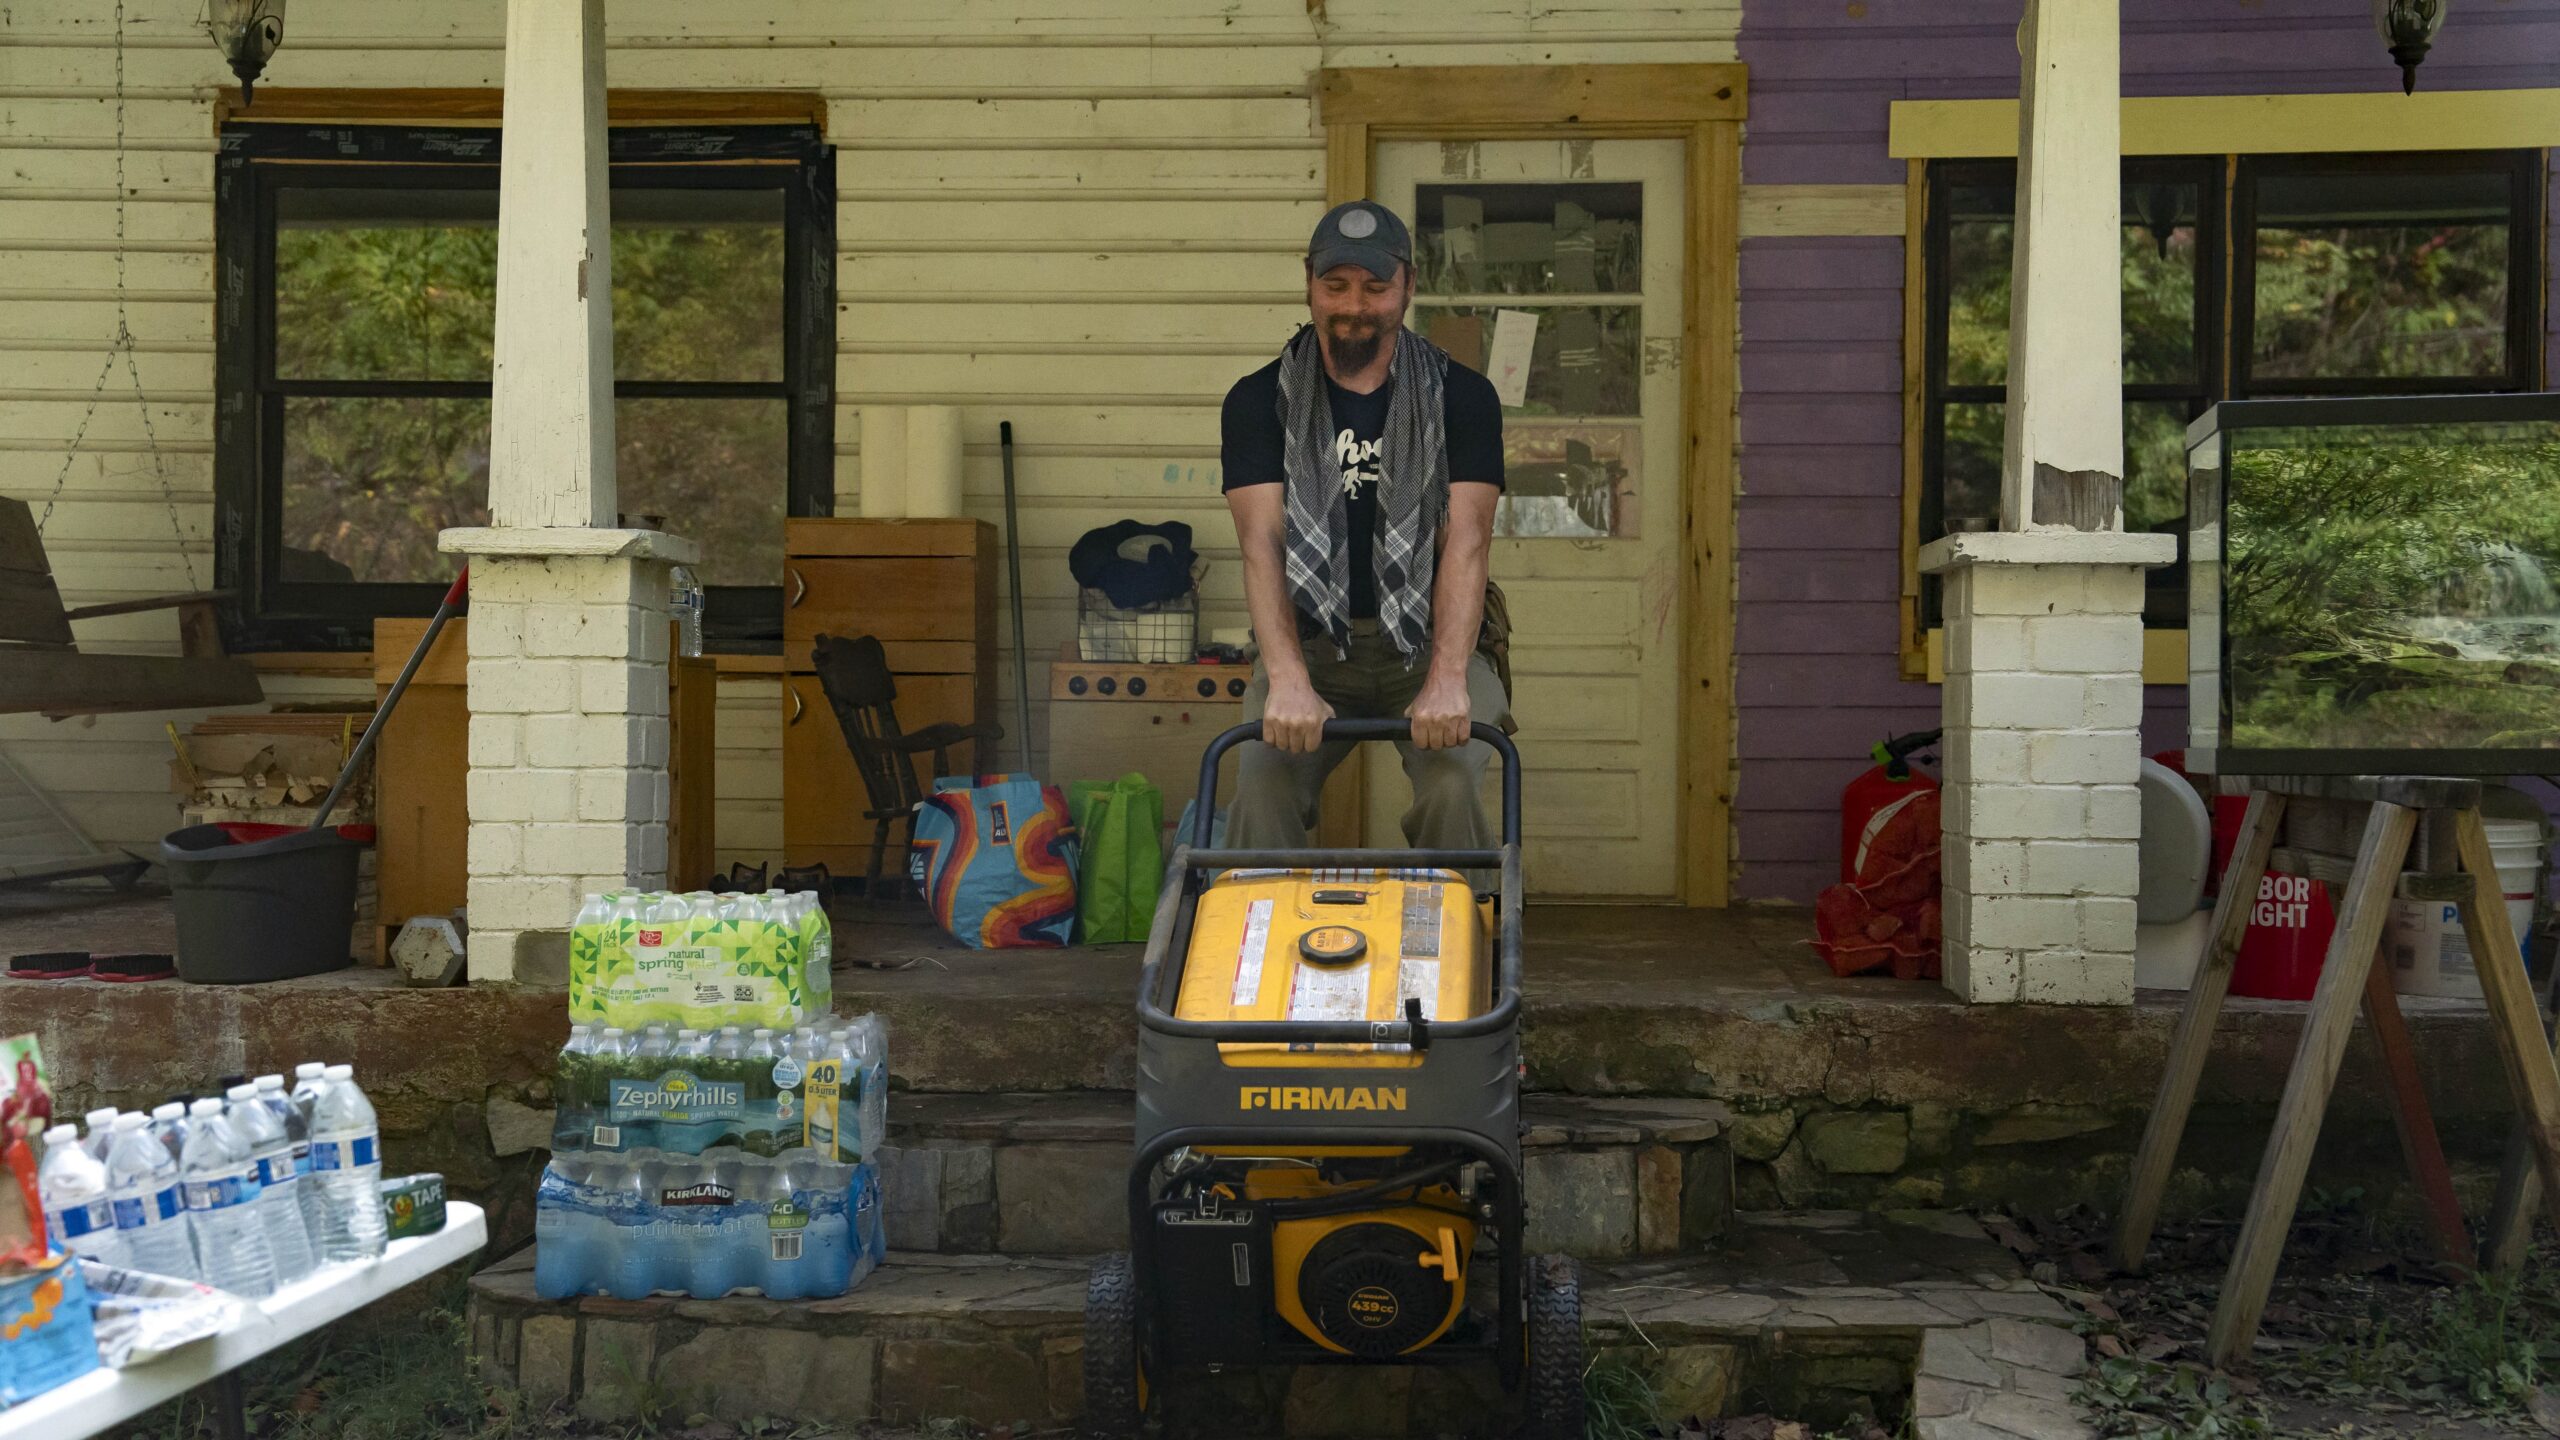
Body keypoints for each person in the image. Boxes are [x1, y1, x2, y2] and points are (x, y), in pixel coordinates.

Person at [1219, 198, 1510, 876]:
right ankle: (1260, 957)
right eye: (1337, 285)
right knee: (1261, 777)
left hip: (1428, 642)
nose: (1355, 305)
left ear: (1407, 285)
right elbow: (1261, 544)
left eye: (1376, 287)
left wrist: (1446, 680)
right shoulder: (1257, 401)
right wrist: (1288, 680)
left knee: (1451, 781)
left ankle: (1459, 945)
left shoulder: (1461, 398)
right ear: (1309, 282)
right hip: (1313, 642)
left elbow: (1466, 541)